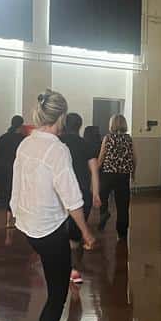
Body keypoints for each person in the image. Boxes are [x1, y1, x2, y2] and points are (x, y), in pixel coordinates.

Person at [11, 89, 96, 321]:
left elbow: (17, 184)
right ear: (60, 116)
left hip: (29, 226)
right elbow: (72, 197)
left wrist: (17, 214)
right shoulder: (58, 149)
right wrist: (86, 232)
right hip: (49, 229)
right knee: (58, 291)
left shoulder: (26, 144)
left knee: (55, 281)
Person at [60, 112, 101, 284]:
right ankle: (73, 268)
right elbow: (94, 171)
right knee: (75, 236)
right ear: (80, 126)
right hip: (81, 192)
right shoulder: (86, 144)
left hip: (61, 192)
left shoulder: (58, 142)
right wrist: (96, 193)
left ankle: (64, 268)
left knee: (60, 230)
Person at [98, 114, 136, 239]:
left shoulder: (107, 138)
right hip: (123, 176)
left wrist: (95, 172)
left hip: (108, 174)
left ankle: (104, 212)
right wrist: (133, 173)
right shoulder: (129, 139)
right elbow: (134, 158)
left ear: (112, 125)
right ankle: (122, 233)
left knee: (102, 195)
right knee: (123, 206)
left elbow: (102, 156)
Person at [0, 115, 26, 228]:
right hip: (13, 170)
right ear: (21, 126)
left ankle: (8, 220)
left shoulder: (3, 137)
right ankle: (11, 220)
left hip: (1, 170)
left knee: (7, 194)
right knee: (13, 193)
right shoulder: (22, 139)